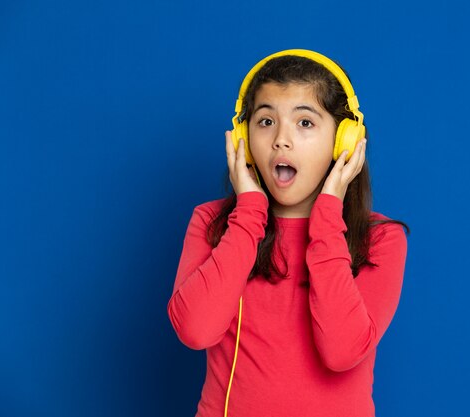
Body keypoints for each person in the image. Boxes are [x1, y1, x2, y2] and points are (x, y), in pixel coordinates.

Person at [167, 49, 409, 417]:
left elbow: (342, 351)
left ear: (344, 141)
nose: (281, 140)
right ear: (243, 139)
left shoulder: (382, 239)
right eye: (265, 121)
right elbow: (195, 330)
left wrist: (328, 215)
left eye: (305, 123)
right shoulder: (212, 222)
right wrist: (248, 214)